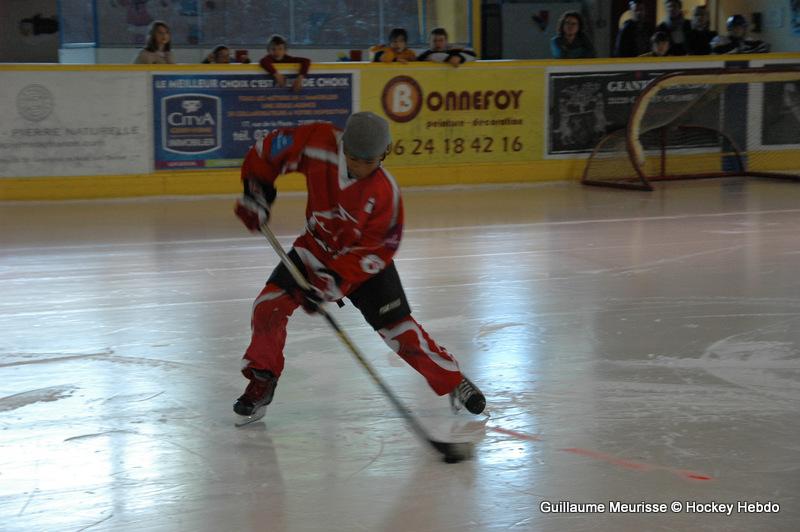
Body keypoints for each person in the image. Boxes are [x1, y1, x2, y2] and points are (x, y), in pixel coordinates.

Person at [232, 112, 486, 422]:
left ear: (385, 154)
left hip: (364, 267)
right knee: (267, 306)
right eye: (352, 157)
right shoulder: (318, 142)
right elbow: (267, 151)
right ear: (342, 145)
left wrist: (332, 283)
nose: (358, 167)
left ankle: (452, 379)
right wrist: (256, 194)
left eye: (368, 161)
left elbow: (380, 249)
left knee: (400, 332)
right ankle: (262, 379)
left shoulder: (385, 194)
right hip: (316, 249)